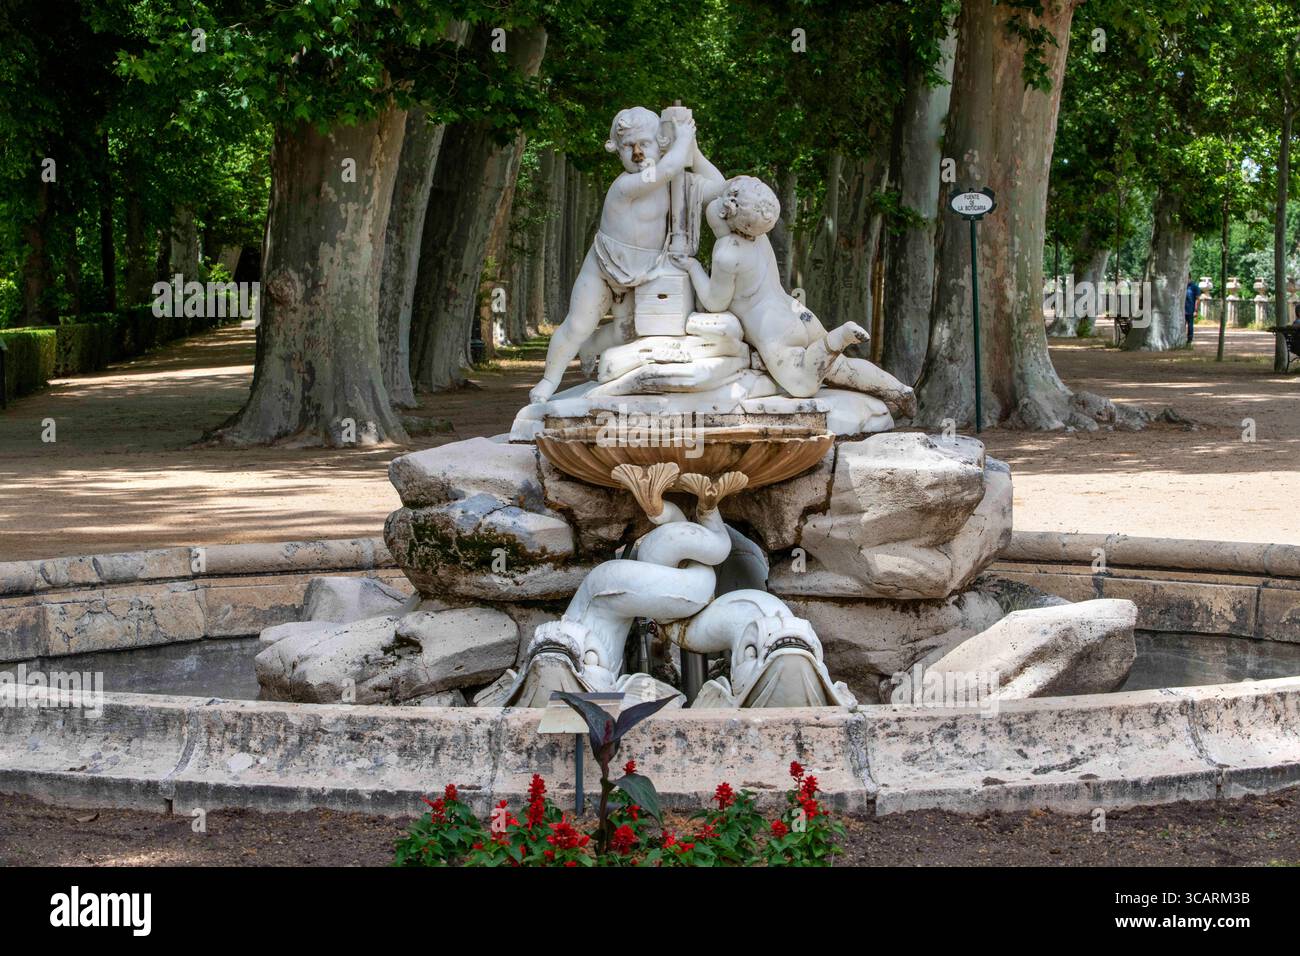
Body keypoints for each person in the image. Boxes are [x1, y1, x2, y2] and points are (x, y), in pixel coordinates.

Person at [670, 176, 915, 418]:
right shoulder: (759, 236)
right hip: (797, 311)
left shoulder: (727, 253)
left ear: (727, 209)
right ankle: (899, 390)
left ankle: (836, 339)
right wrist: (693, 151)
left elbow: (715, 303)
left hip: (773, 327)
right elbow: (717, 196)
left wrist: (692, 267)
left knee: (802, 384)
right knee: (841, 367)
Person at [528, 107, 725, 405]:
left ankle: (590, 348)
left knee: (627, 333)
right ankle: (549, 380)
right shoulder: (626, 185)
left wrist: (692, 149)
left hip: (646, 271)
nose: (635, 154)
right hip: (604, 266)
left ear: (659, 144)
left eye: (643, 144)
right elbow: (667, 168)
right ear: (617, 150)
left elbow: (720, 187)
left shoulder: (672, 185)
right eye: (626, 147)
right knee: (578, 325)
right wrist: (681, 141)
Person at [1184, 278, 1199, 343]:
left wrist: (1195, 310)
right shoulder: (1182, 286)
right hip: (1181, 311)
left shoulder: (1194, 287)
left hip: (1190, 310)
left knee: (1190, 326)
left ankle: (1189, 340)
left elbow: (1197, 299)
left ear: (1189, 278)